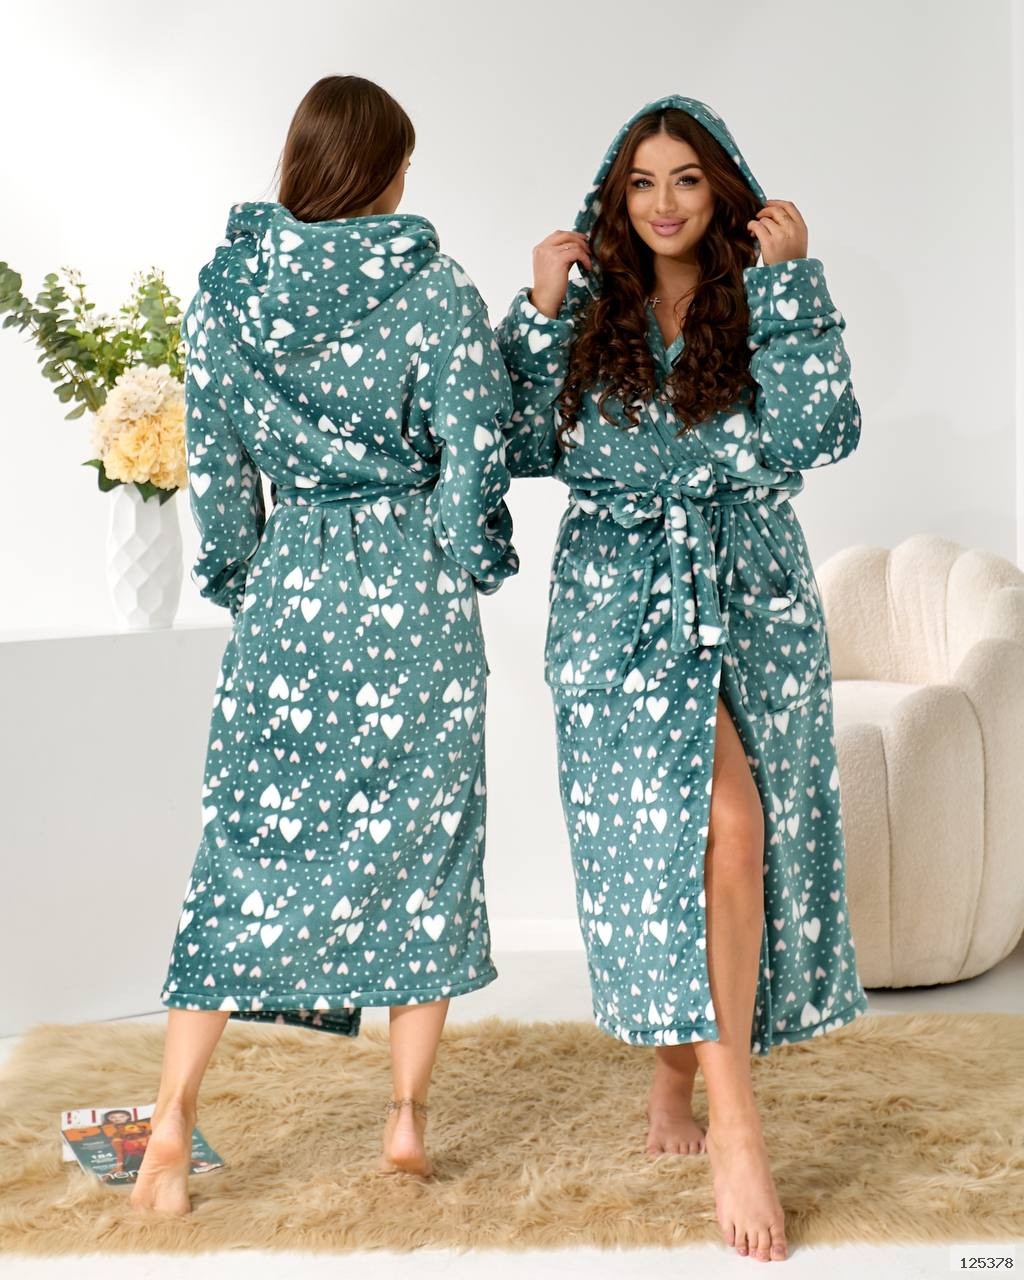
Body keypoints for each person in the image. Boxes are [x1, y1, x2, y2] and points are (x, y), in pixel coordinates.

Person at [131, 74, 518, 1214]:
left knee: (244, 850)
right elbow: (475, 449)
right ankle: (404, 1120)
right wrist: (470, 553)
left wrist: (249, 577)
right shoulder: (436, 289)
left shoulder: (226, 294)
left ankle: (169, 1120)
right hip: (415, 597)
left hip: (290, 598)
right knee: (426, 850)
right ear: (386, 171)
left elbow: (217, 469)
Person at [495, 93, 870, 1264]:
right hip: (617, 608)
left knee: (737, 840)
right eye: (643, 182)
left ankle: (682, 1076)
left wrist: (792, 287)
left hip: (748, 593)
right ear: (618, 197)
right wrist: (539, 311)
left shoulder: (757, 298)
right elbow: (519, 445)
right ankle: (733, 1121)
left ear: (724, 191)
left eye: (687, 179)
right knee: (692, 834)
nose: (664, 203)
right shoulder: (590, 309)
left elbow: (819, 433)